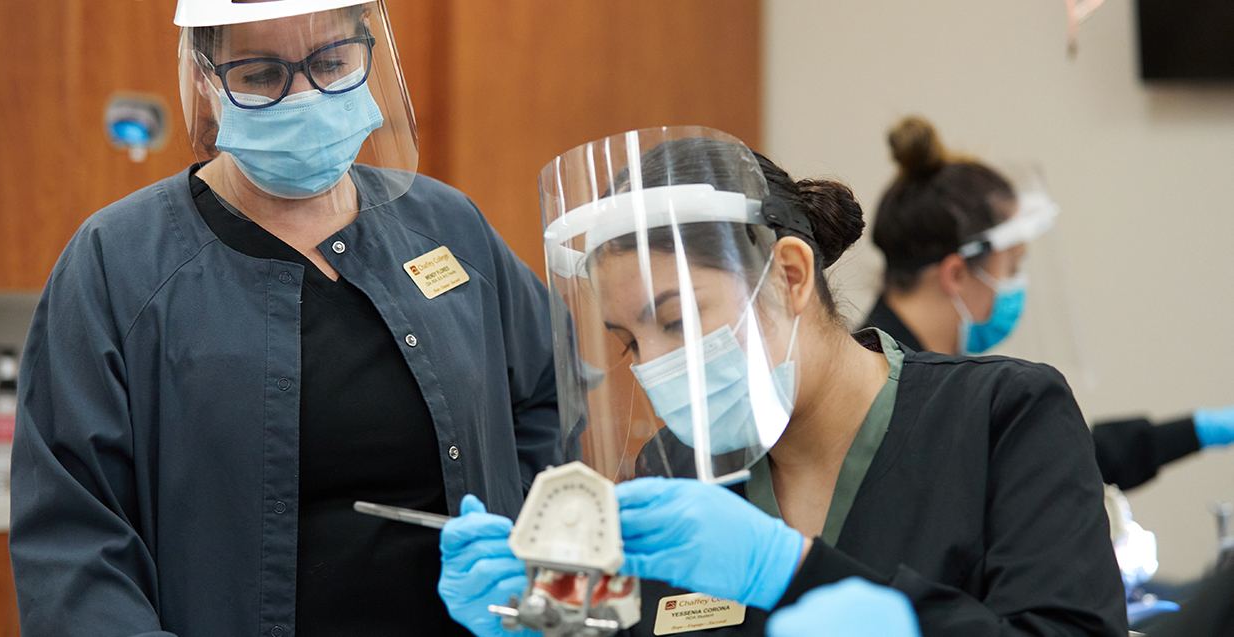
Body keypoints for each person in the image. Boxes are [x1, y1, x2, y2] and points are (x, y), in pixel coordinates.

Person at [438, 127, 1127, 636]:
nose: (651, 367)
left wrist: (789, 569)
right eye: (627, 342)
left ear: (790, 275)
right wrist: (538, 615)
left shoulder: (1001, 417)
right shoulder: (679, 473)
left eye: (675, 320)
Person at [8, 2, 560, 636]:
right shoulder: (117, 263)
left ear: (368, 52)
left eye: (330, 62)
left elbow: (554, 397)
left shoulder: (446, 226)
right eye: (261, 74)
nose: (304, 97)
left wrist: (529, 538)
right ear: (207, 82)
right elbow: (72, 542)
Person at [862, 116, 1234, 492]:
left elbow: (1044, 461)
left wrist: (1198, 431)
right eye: (1012, 266)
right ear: (956, 274)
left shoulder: (918, 375)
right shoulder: (883, 398)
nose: (1016, 284)